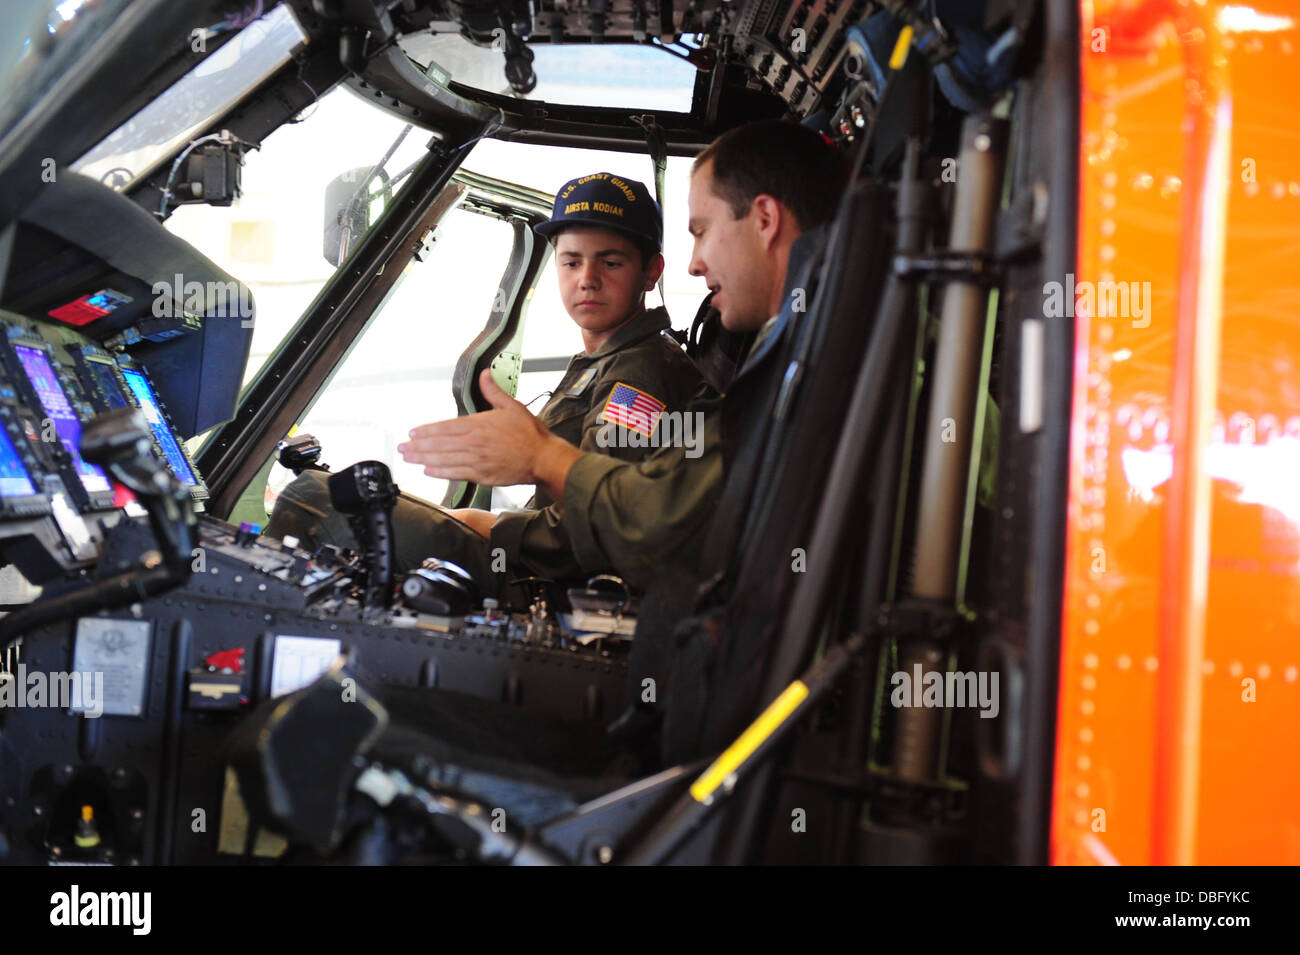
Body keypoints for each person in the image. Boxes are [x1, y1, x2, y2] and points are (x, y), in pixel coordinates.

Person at [399, 122, 847, 590]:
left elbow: (641, 525)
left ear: (764, 221)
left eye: (702, 231)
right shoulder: (789, 357)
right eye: (571, 261)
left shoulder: (647, 370)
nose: (695, 264)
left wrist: (534, 464)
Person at [265, 172, 707, 594]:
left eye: (611, 262)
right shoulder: (608, 360)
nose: (587, 279)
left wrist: (489, 525)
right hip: (531, 562)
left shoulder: (639, 377)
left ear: (652, 272)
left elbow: (597, 529)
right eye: (571, 261)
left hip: (545, 584)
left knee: (314, 498)